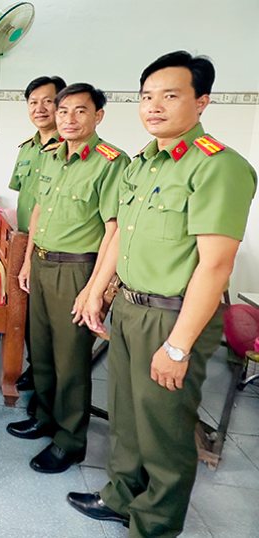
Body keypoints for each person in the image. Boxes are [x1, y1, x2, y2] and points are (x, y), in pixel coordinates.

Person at [68, 51, 257, 538]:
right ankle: (120, 496)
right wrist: (97, 292)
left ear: (201, 102)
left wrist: (178, 346)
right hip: (130, 307)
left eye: (169, 96)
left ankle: (153, 524)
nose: (153, 106)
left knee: (167, 431)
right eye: (147, 96)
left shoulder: (219, 167)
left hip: (173, 317)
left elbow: (215, 265)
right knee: (128, 417)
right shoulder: (143, 163)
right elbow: (120, 237)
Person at [6, 83, 130, 474]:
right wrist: (27, 262)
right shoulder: (52, 155)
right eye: (63, 112)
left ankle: (70, 440)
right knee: (40, 350)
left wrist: (94, 289)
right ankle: (44, 416)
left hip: (77, 268)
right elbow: (39, 210)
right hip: (41, 263)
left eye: (80, 111)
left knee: (71, 359)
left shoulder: (111, 162)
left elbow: (114, 230)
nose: (69, 119)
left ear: (98, 116)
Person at [9, 76, 67, 404]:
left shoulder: (70, 147)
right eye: (33, 102)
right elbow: (24, 194)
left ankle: (51, 383)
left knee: (53, 321)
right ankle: (35, 367)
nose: (40, 108)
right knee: (31, 312)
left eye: (48, 101)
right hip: (25, 239)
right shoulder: (27, 149)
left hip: (57, 244)